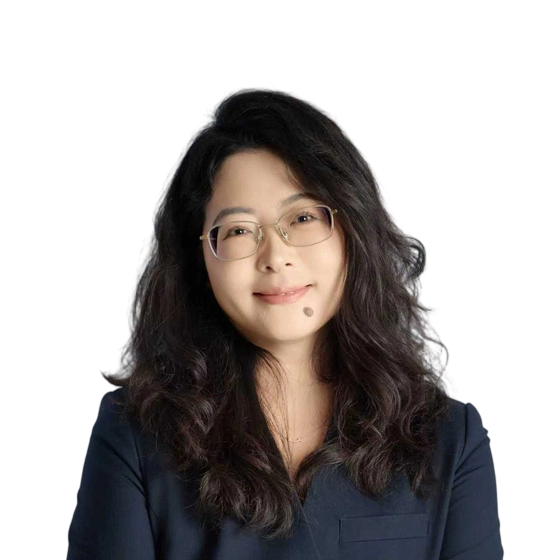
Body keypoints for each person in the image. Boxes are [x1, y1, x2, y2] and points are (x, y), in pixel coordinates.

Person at [67, 88, 503, 559]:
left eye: (303, 217)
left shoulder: (449, 441)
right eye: (238, 230)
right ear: (201, 259)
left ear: (353, 231)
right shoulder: (134, 435)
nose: (276, 256)